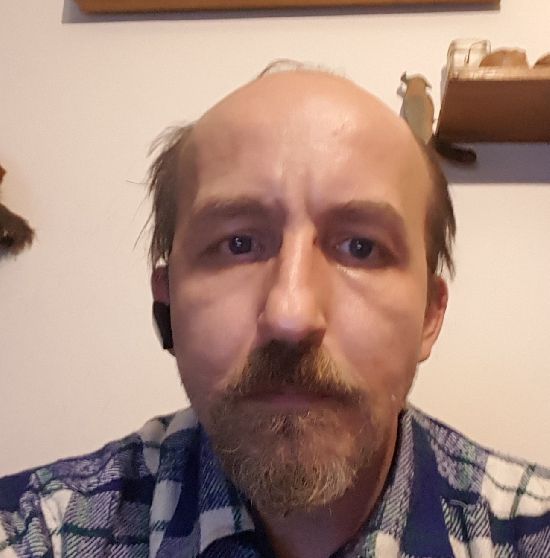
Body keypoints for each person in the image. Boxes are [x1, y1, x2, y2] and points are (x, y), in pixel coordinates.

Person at [1, 63, 549, 558]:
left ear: (430, 315)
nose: (291, 316)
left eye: (361, 247)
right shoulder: (42, 530)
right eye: (238, 244)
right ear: (166, 302)